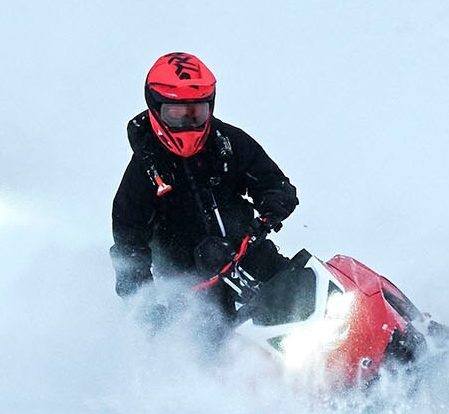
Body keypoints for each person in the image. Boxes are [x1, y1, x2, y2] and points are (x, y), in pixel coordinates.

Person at [108, 53, 306, 318]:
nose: (188, 123)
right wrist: (147, 311)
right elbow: (129, 249)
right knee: (215, 353)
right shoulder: (141, 175)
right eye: (178, 114)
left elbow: (274, 182)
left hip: (252, 255)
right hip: (193, 292)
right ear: (156, 109)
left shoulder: (229, 142)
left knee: (318, 299)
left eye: (197, 112)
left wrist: (273, 204)